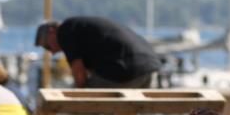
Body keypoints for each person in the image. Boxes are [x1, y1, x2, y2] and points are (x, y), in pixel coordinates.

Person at [34, 17, 162, 88]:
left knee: (77, 104)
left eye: (47, 47)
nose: (52, 53)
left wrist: (78, 95)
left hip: (128, 71)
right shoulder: (80, 27)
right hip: (150, 67)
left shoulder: (65, 31)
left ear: (52, 31)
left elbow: (79, 74)